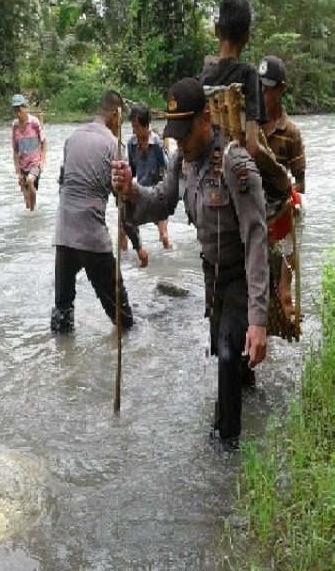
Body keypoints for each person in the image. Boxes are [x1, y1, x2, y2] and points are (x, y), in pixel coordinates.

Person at [111, 77, 269, 450]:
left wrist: (259, 319)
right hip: (211, 275)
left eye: (184, 133)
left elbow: (257, 239)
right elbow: (162, 201)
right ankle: (252, 393)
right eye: (175, 135)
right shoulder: (183, 160)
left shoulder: (234, 165)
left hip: (241, 272)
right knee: (226, 352)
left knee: (230, 350)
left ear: (204, 121)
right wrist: (132, 189)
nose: (178, 142)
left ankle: (224, 447)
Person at [50, 90, 133, 334]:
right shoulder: (113, 145)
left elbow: (63, 183)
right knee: (124, 319)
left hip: (63, 234)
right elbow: (122, 199)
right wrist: (137, 244)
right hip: (93, 238)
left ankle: (64, 361)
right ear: (115, 115)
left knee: (62, 312)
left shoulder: (72, 138)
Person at [200, 0, 290, 195]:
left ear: (216, 30)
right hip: (240, 182)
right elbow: (253, 147)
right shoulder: (249, 76)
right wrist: (280, 173)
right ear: (247, 36)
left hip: (210, 182)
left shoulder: (203, 80)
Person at [260, 54, 306, 316]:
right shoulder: (251, 128)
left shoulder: (291, 133)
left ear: (282, 89)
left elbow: (300, 184)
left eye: (269, 89)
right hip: (257, 211)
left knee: (284, 294)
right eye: (261, 88)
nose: (264, 94)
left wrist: (283, 204)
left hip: (283, 212)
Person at [118, 104, 172, 266]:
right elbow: (132, 172)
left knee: (164, 236)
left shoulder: (157, 144)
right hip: (140, 193)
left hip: (156, 195)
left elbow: (168, 168)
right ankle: (127, 263)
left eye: (136, 126)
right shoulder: (131, 144)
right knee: (123, 229)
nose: (134, 130)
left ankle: (168, 265)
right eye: (132, 126)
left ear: (145, 125)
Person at [11, 93, 46, 211]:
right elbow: (15, 149)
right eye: (15, 109)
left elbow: (44, 142)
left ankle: (33, 211)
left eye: (19, 108)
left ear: (24, 108)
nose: (18, 112)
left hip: (35, 162)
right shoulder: (15, 126)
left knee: (30, 180)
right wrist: (17, 169)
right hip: (22, 164)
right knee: (26, 199)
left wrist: (42, 161)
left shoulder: (34, 122)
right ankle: (30, 211)